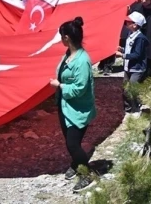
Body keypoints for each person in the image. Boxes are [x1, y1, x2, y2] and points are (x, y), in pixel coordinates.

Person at [49, 17, 97, 193]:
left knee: (72, 144)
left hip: (78, 109)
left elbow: (80, 88)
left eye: (61, 36)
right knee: (69, 140)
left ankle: (86, 173)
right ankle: (76, 164)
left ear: (67, 37)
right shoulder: (68, 55)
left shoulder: (82, 61)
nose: (60, 39)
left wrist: (60, 86)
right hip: (65, 106)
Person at [117, 12, 148, 113]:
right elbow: (129, 49)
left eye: (128, 22)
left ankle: (136, 107)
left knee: (132, 89)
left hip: (137, 68)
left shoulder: (140, 38)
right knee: (125, 89)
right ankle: (128, 108)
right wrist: (122, 49)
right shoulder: (130, 35)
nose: (126, 23)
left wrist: (123, 55)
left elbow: (137, 54)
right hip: (128, 67)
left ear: (135, 25)